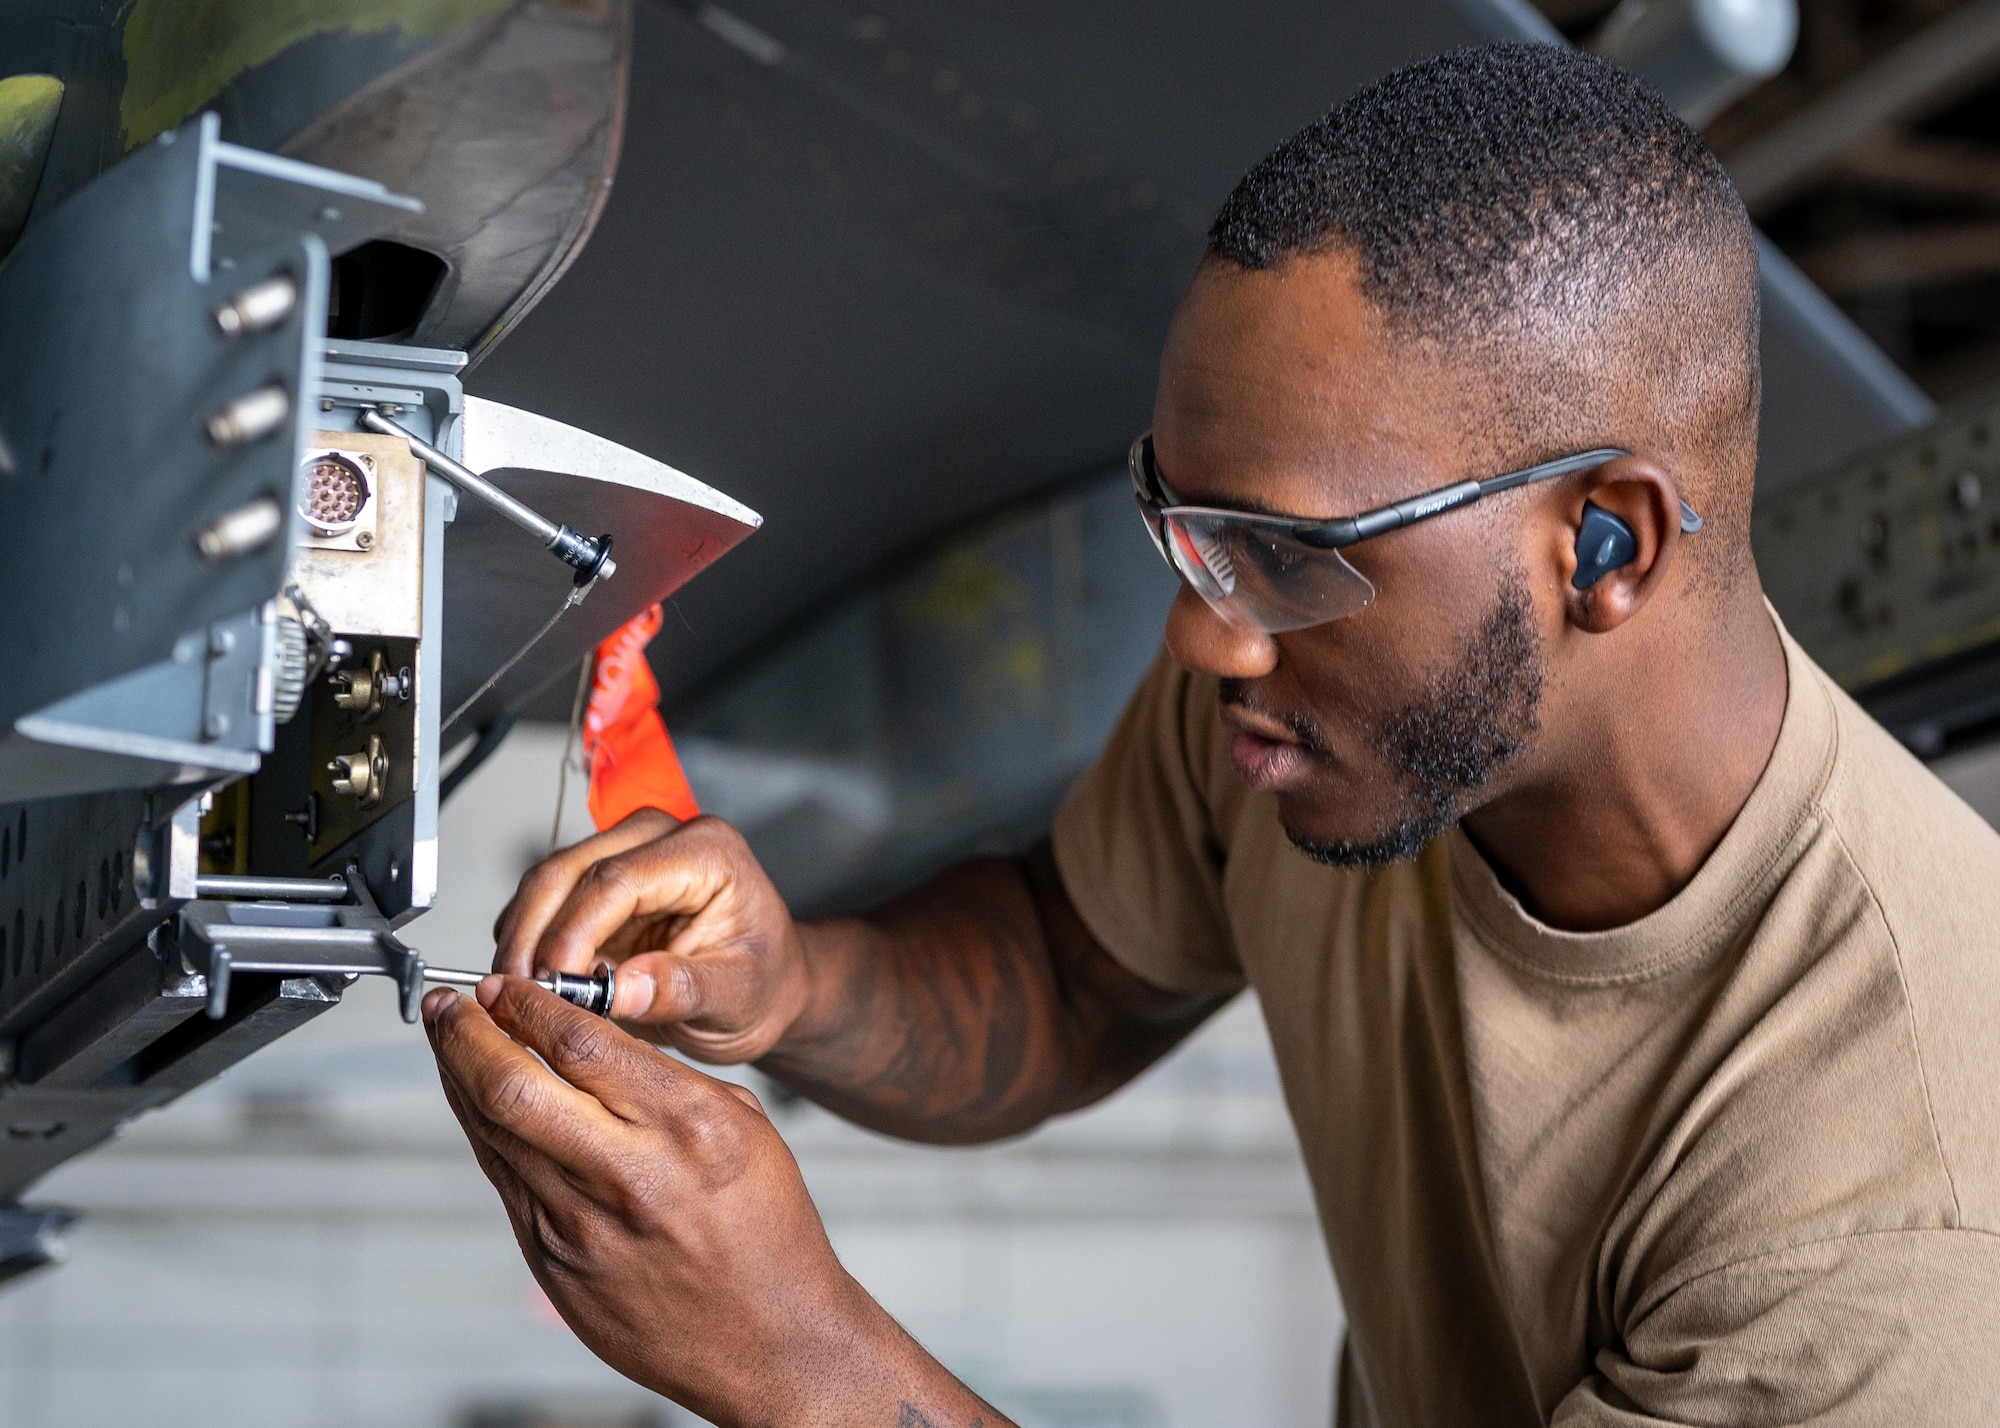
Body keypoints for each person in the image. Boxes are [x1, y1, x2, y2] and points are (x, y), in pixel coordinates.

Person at [421, 42, 2000, 1428]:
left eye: (1287, 555)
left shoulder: (1889, 1218)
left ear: (1606, 546)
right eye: (1180, 528)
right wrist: (790, 983)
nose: (1204, 636)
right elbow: (1070, 964)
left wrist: (801, 1366)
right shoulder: (1313, 714)